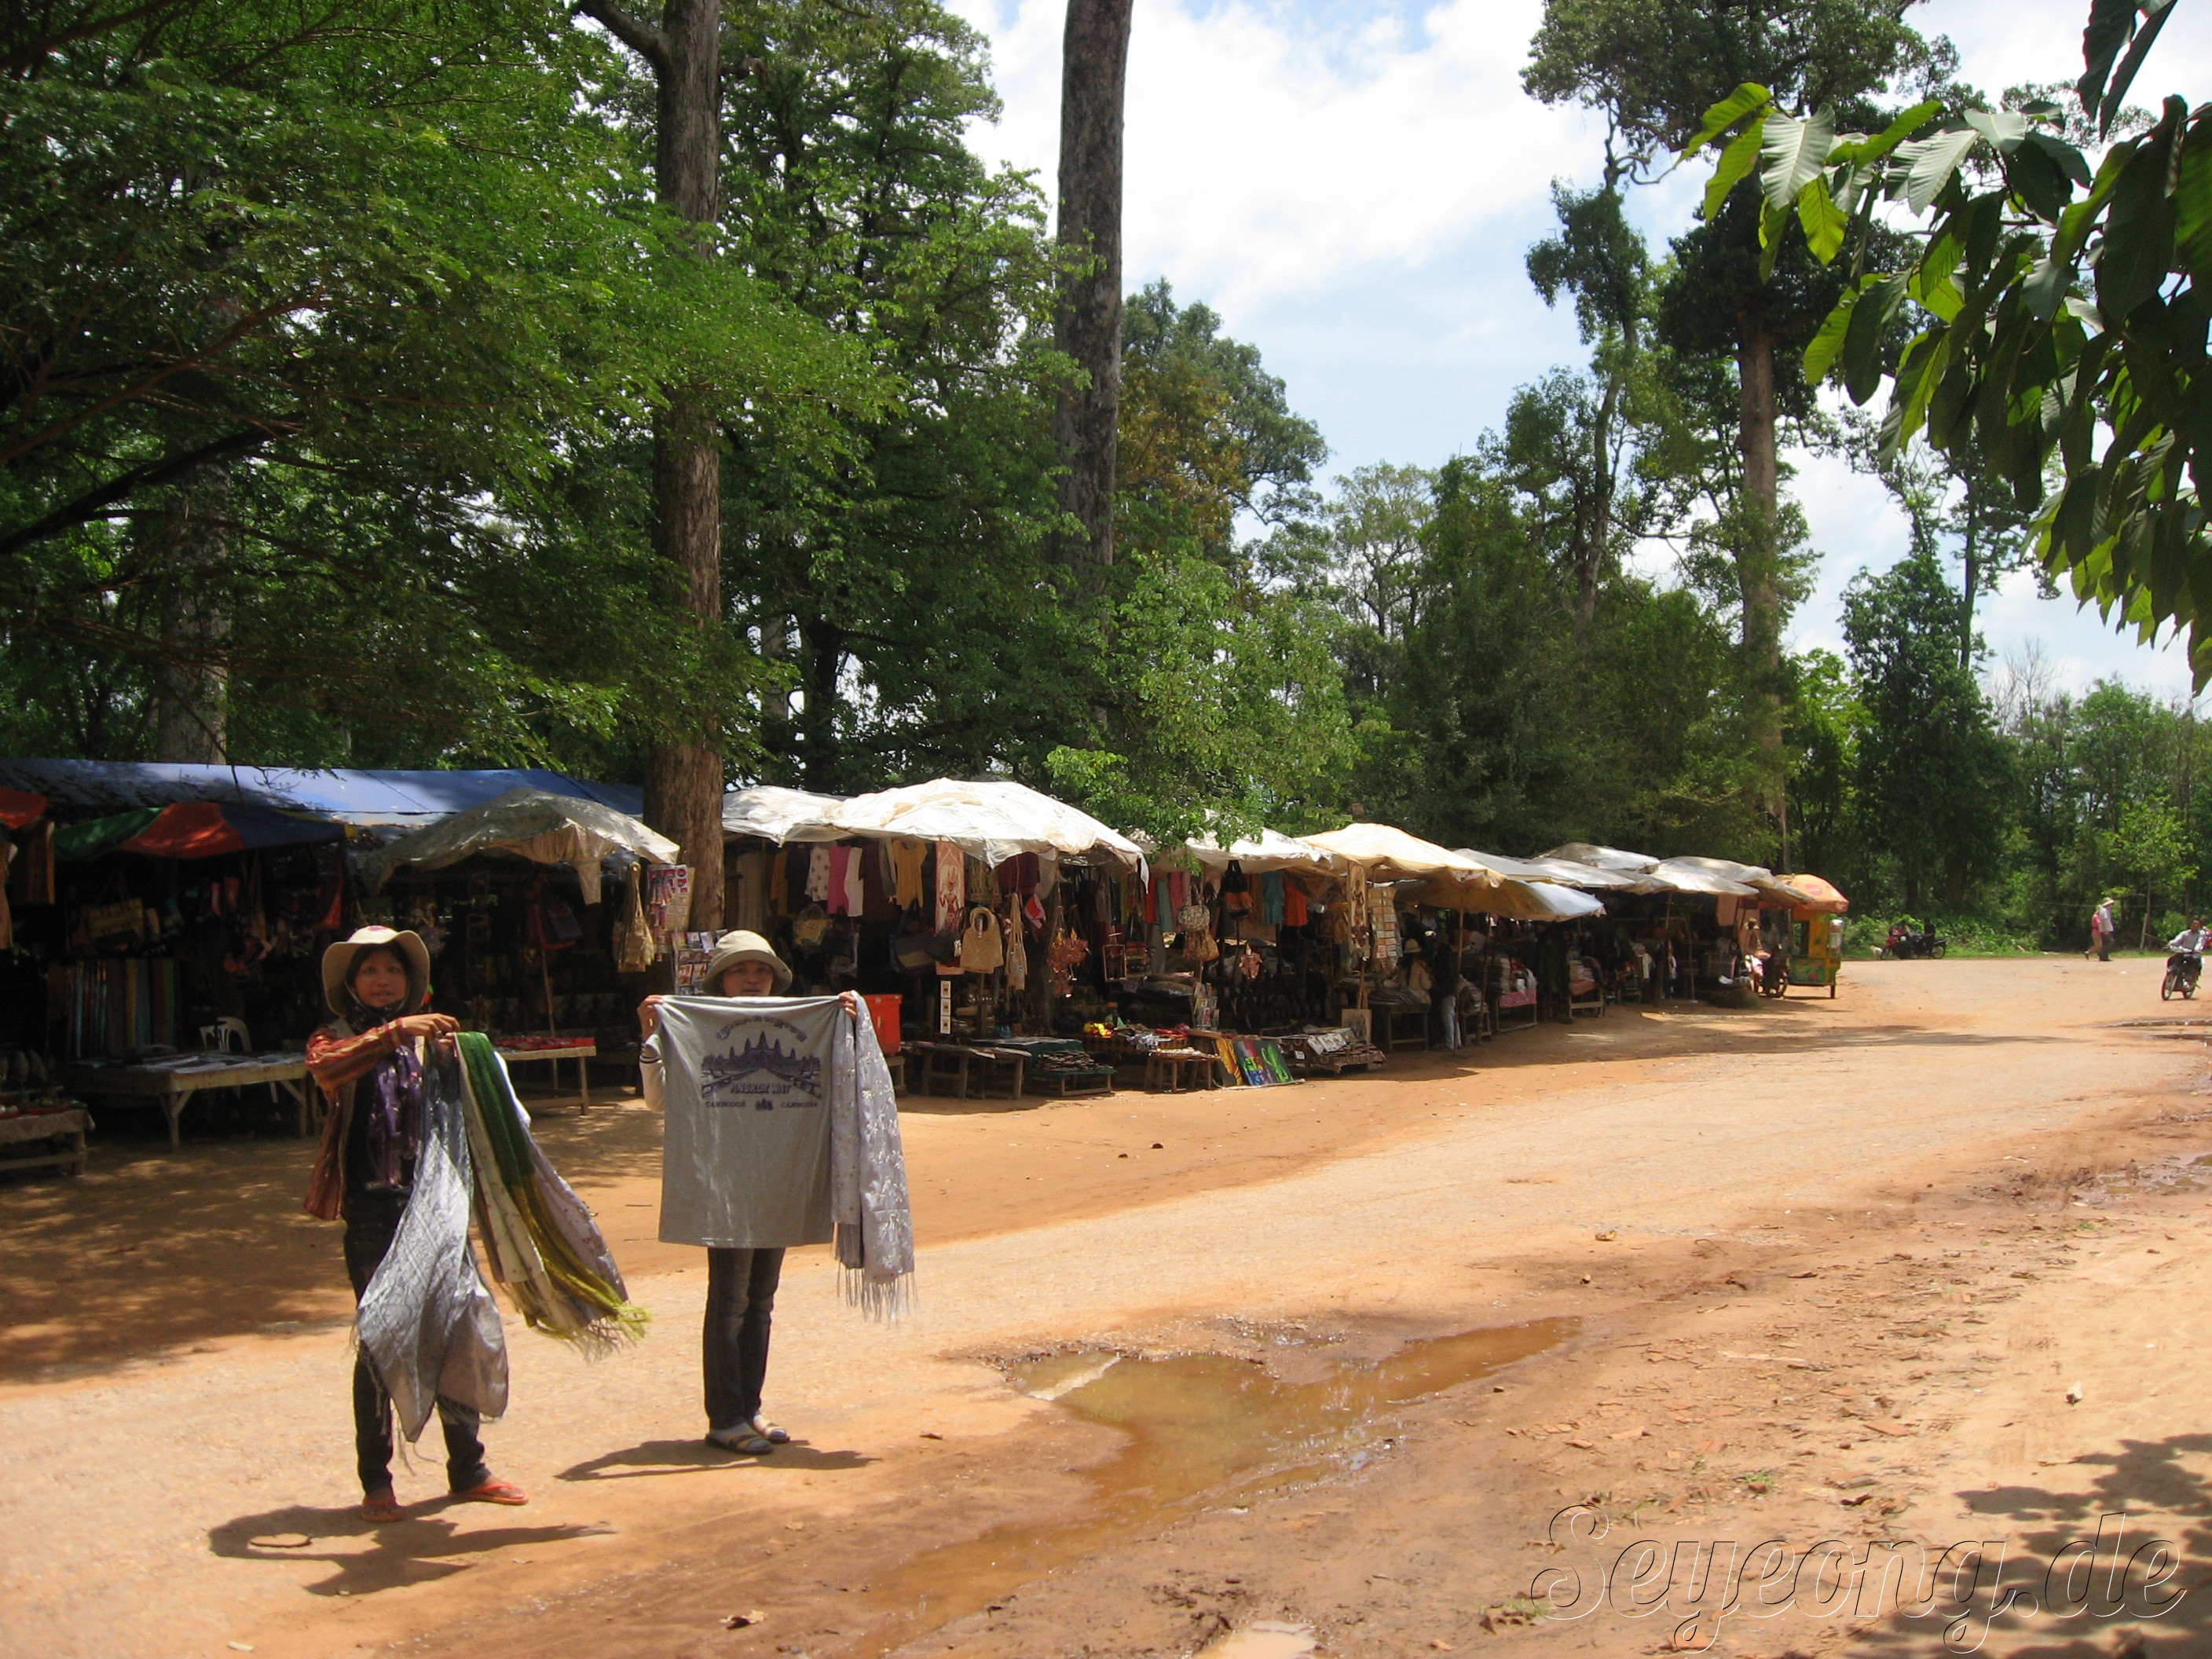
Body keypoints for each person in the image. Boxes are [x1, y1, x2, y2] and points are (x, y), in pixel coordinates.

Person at [303, 926, 528, 1523]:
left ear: (411, 981)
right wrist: (395, 1033)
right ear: (352, 983)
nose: (383, 981)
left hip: (438, 1205)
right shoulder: (336, 1038)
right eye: (371, 971)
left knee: (456, 1329)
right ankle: (376, 1480)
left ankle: (469, 1468)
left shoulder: (434, 1043)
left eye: (393, 971)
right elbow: (326, 1070)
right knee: (382, 1338)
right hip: (373, 1211)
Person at [639, 930, 861, 1456]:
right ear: (720, 979)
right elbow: (658, 1101)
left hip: (779, 1178)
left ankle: (749, 1407)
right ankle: (725, 1418)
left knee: (761, 1302)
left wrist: (852, 1026)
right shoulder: (693, 1026)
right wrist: (652, 1035)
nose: (752, 979)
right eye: (740, 970)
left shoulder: (808, 1023)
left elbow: (847, 1080)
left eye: (760, 970)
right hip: (728, 1184)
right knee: (731, 1301)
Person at [2092, 897, 2118, 961]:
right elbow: (2105, 920)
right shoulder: (2104, 911)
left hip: (2105, 929)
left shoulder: (2106, 910)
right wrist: (2106, 930)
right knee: (2111, 942)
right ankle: (2102, 953)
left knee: (2105, 943)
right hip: (2106, 930)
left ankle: (2104, 957)